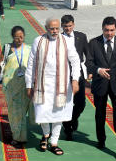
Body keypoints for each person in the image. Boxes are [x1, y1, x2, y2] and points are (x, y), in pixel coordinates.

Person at [25, 18, 80, 156]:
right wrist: (28, 85)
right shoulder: (38, 41)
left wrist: (75, 80)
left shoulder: (67, 41)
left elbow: (75, 61)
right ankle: (45, 135)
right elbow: (31, 64)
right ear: (46, 28)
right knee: (42, 112)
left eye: (56, 28)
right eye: (51, 28)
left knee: (58, 114)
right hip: (42, 85)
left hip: (61, 86)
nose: (54, 31)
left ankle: (54, 142)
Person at [86, 16, 116, 159]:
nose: (109, 33)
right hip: (100, 84)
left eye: (111, 30)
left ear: (115, 29)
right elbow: (89, 63)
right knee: (100, 114)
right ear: (102, 28)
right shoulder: (93, 43)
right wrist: (98, 71)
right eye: (106, 30)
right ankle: (101, 139)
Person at [0, 26, 31, 148]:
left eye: (21, 37)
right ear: (13, 37)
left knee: (22, 112)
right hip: (10, 85)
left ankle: (21, 136)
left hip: (25, 85)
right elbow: (0, 65)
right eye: (16, 37)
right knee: (14, 112)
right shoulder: (7, 48)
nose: (19, 39)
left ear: (24, 36)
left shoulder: (29, 50)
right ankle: (17, 136)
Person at [60, 14, 89, 141]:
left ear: (74, 25)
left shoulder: (81, 37)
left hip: (79, 74)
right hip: (63, 75)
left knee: (81, 103)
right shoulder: (58, 38)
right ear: (62, 26)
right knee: (65, 104)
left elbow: (88, 54)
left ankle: (73, 118)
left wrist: (90, 69)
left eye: (70, 26)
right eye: (65, 26)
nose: (68, 28)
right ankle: (67, 129)